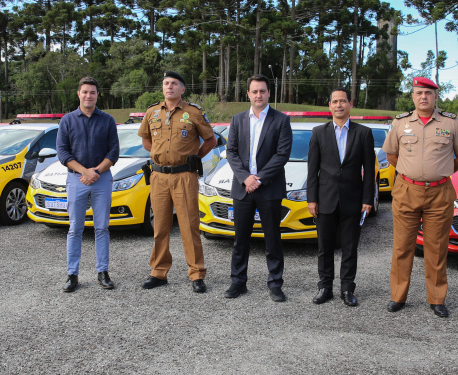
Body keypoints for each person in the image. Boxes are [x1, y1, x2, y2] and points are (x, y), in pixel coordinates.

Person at [382, 77, 458, 317]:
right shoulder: (400, 123)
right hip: (406, 191)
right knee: (402, 247)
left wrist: (439, 172)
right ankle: (398, 297)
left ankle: (436, 298)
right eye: (419, 93)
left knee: (437, 248)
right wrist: (412, 173)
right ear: (413, 96)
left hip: (439, 193)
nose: (423, 97)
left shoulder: (452, 123)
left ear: (435, 97)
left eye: (428, 94)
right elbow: (392, 155)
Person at [137, 71, 217, 293]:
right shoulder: (152, 112)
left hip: (185, 176)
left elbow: (211, 139)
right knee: (160, 226)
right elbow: (145, 138)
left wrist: (195, 157)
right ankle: (158, 272)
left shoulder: (193, 112)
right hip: (159, 176)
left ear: (182, 89)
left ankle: (197, 274)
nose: (169, 87)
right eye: (166, 83)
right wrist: (158, 153)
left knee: (189, 226)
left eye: (174, 84)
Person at [224, 74, 293, 302]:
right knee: (240, 239)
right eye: (254, 91)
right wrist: (246, 178)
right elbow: (231, 152)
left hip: (269, 188)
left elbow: (282, 154)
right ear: (248, 94)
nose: (258, 95)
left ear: (269, 93)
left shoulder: (281, 120)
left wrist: (259, 178)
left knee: (272, 238)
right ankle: (238, 282)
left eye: (262, 91)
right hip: (243, 188)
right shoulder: (237, 120)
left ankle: (275, 283)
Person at [307, 89, 376, 307]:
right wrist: (312, 199)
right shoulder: (318, 132)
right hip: (325, 198)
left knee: (349, 247)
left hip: (352, 199)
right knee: (324, 247)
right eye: (335, 101)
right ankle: (325, 287)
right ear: (329, 106)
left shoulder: (363, 133)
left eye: (343, 101)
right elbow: (312, 170)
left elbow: (369, 169)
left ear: (350, 104)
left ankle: (347, 289)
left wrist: (367, 199)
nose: (339, 105)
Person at [56, 76, 120, 293]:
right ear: (78, 94)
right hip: (77, 179)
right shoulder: (67, 120)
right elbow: (62, 152)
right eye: (85, 92)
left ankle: (103, 272)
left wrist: (96, 172)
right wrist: (84, 172)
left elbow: (114, 152)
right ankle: (72, 275)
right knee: (75, 228)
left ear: (97, 95)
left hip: (102, 179)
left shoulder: (107, 120)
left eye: (92, 92)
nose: (88, 96)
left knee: (102, 227)